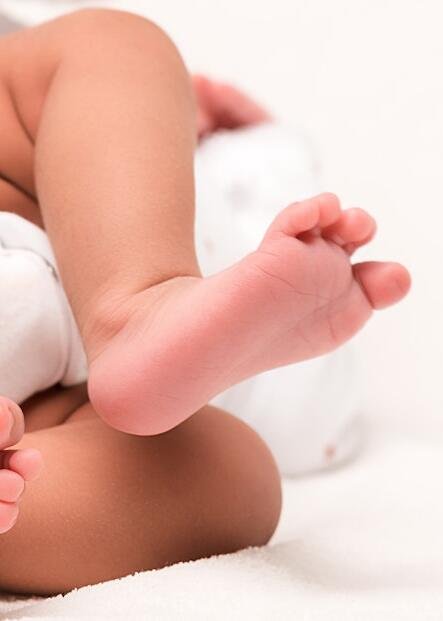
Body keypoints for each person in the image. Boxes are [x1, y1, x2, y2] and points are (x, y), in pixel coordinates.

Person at [0, 8, 410, 594]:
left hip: (46, 412)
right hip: (51, 394)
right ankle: (135, 302)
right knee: (117, 45)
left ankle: (134, 315)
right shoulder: (256, 177)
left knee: (238, 476)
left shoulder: (241, 175)